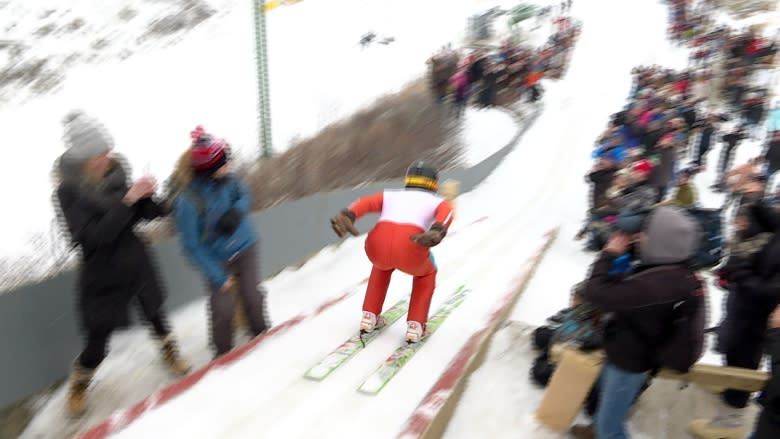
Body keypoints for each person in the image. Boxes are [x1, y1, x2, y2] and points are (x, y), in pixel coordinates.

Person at [53, 110, 191, 417]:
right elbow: (90, 239)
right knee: (98, 338)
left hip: (135, 259)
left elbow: (142, 213)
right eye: (99, 154)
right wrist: (128, 200)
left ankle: (170, 351)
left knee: (155, 312)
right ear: (82, 159)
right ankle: (80, 382)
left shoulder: (116, 173)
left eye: (107, 150)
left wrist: (152, 199)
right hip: (101, 271)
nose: (107, 157)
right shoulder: (67, 192)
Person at [571, 206, 705, 439]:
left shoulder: (659, 285)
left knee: (609, 428)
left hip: (629, 363)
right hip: (624, 348)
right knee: (606, 403)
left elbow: (597, 293)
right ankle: (597, 428)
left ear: (662, 241)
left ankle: (603, 431)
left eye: (645, 233)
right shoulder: (672, 268)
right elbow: (636, 278)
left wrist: (609, 253)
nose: (639, 237)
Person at [171, 126, 271, 358]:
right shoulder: (188, 202)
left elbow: (244, 195)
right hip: (215, 257)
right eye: (225, 163)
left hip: (245, 245)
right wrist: (217, 275)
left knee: (252, 296)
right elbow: (190, 245)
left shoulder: (230, 179)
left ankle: (262, 334)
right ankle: (222, 353)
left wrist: (237, 211)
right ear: (210, 169)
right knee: (223, 309)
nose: (230, 165)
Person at [330, 161, 454, 343]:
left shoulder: (390, 195)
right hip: (410, 244)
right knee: (427, 273)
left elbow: (366, 202)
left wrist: (348, 214)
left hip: (376, 243)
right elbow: (447, 214)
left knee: (381, 266)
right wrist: (437, 230)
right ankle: (415, 325)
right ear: (434, 183)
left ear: (408, 180)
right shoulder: (437, 201)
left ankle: (369, 316)